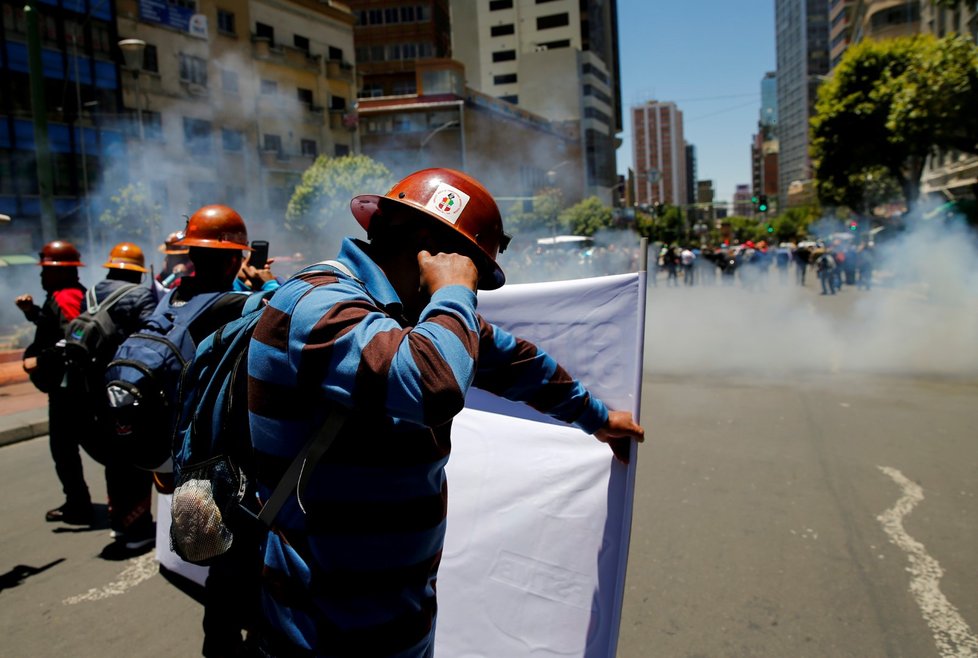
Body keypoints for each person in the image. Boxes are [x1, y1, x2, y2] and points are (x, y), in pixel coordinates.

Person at [247, 168, 645, 657]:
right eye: (472, 267)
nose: (472, 286)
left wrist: (596, 417)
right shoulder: (319, 303)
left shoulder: (406, 311)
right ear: (429, 249)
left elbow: (514, 361)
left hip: (397, 615)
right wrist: (452, 290)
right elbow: (433, 387)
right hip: (318, 627)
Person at [163, 205, 276, 658]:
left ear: (191, 252)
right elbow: (296, 310)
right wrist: (265, 281)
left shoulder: (172, 301)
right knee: (246, 563)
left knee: (220, 577)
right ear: (235, 259)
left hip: (188, 459)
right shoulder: (243, 305)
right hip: (236, 466)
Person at [85, 242, 160, 556]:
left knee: (115, 460)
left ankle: (119, 521)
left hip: (96, 391)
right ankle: (138, 529)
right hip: (127, 391)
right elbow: (153, 335)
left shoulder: (92, 293)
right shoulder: (139, 296)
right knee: (135, 460)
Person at [15, 240, 92, 524]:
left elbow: (76, 337)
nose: (41, 276)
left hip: (68, 390)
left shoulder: (68, 296)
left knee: (66, 448)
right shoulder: (61, 295)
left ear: (61, 271)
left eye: (47, 270)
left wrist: (41, 360)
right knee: (67, 448)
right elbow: (55, 327)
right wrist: (33, 313)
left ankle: (79, 504)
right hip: (65, 387)